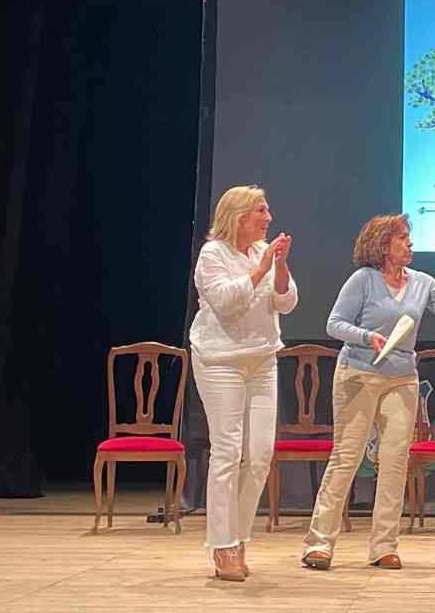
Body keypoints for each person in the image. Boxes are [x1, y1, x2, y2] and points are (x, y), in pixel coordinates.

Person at [301, 214, 435, 571]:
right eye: (403, 238)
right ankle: (319, 543)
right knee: (346, 458)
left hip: (402, 378)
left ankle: (383, 546)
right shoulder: (363, 280)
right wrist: (366, 337)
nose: (410, 244)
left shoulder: (422, 282)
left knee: (393, 462)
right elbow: (334, 324)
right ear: (383, 245)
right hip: (358, 373)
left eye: (409, 237)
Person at [190, 185, 297, 582]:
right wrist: (262, 268)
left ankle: (239, 536)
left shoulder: (261, 252)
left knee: (260, 454)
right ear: (238, 216)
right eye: (261, 211)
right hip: (221, 362)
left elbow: (285, 302)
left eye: (267, 210)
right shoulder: (213, 254)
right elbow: (227, 302)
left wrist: (279, 267)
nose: (268, 218)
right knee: (228, 452)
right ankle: (222, 546)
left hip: (262, 360)